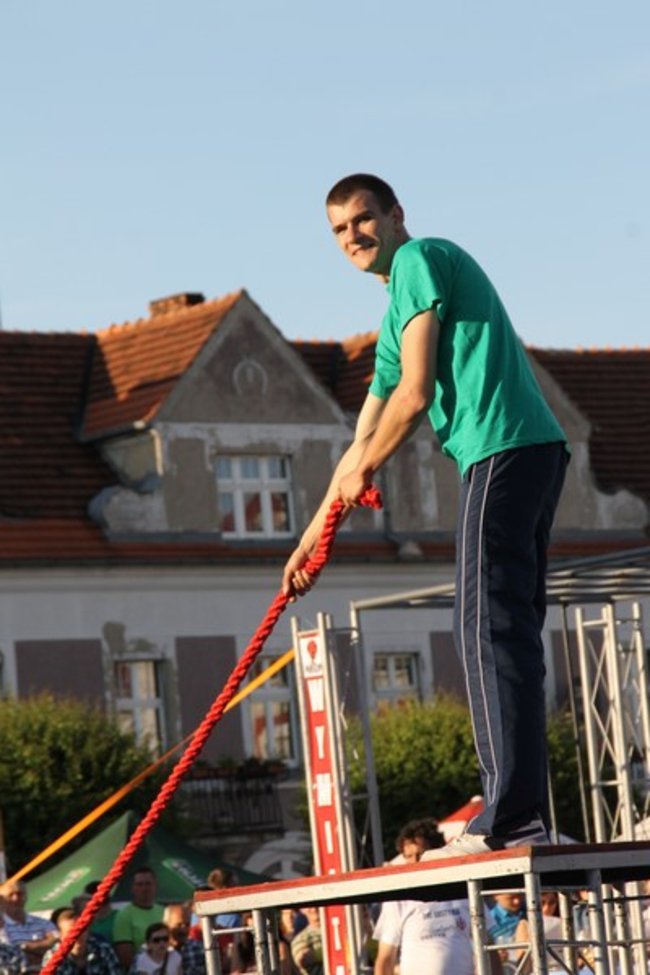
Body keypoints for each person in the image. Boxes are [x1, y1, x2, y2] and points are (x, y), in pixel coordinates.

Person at [282, 173, 568, 856]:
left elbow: (411, 398)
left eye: (363, 219)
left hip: (501, 448)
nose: (354, 236)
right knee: (509, 630)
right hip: (527, 451)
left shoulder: (417, 260)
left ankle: (507, 814)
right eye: (340, 229)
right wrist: (311, 537)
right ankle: (521, 807)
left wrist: (368, 469)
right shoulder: (395, 313)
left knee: (481, 625)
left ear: (395, 214)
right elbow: (361, 440)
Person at [372, 819, 499, 975]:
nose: (414, 861)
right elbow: (385, 959)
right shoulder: (398, 899)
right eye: (408, 856)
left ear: (437, 851)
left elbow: (489, 948)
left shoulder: (464, 890)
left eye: (420, 854)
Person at [112, 869, 164, 971]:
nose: (144, 888)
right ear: (133, 888)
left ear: (155, 886)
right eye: (139, 884)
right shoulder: (124, 915)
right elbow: (125, 957)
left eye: (148, 884)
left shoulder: (163, 911)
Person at [42, 908, 121, 975]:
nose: (77, 936)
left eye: (81, 931)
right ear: (61, 936)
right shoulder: (52, 957)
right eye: (71, 933)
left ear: (88, 930)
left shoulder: (102, 949)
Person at [0, 879, 57, 970]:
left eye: (19, 894)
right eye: (10, 895)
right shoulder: (1, 927)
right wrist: (42, 946)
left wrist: (25, 947)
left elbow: (56, 942)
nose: (16, 898)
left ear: (26, 896)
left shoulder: (43, 922)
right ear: (2, 901)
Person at [514, 890, 563, 974]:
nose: (547, 907)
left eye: (552, 902)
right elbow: (522, 966)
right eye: (541, 903)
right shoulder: (525, 925)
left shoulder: (566, 923)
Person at [162, 905, 204, 975]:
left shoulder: (199, 949)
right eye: (179, 925)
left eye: (187, 925)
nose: (183, 930)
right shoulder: (154, 950)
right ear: (167, 925)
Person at [289, 908, 322, 975]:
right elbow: (304, 959)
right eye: (309, 906)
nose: (314, 909)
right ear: (302, 910)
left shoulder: (340, 926)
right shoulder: (300, 939)